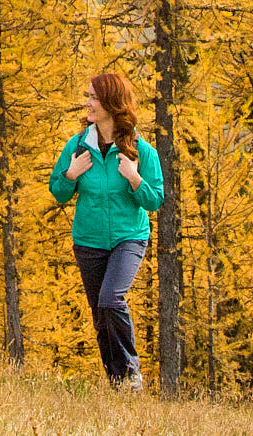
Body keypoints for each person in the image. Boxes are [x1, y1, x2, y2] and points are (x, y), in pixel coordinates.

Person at [49, 69, 164, 390]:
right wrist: (70, 175)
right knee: (100, 314)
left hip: (129, 238)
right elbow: (57, 191)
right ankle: (117, 382)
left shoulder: (142, 150)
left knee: (112, 300)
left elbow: (155, 200)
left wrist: (135, 178)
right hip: (88, 240)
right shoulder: (77, 146)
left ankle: (131, 373)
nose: (87, 103)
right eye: (88, 96)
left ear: (112, 104)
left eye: (93, 98)